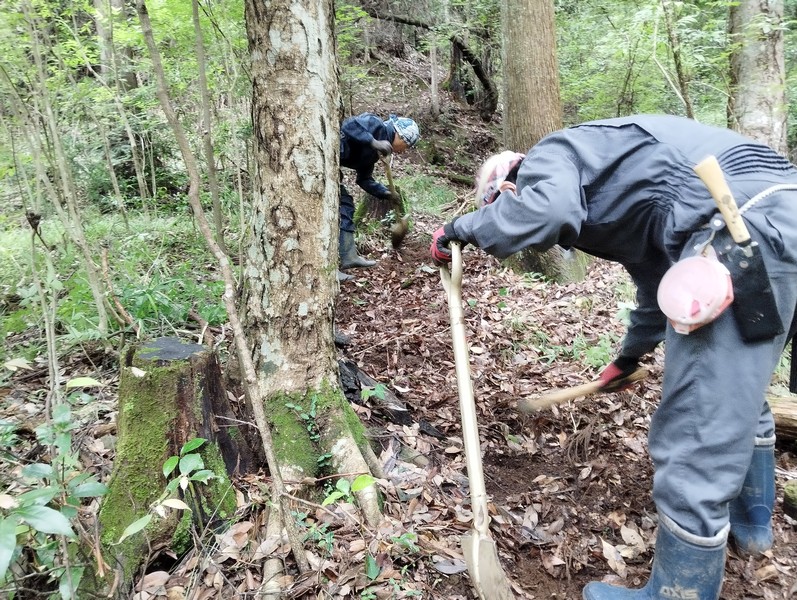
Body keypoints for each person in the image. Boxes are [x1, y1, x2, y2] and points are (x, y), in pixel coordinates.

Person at [429, 115, 797, 600]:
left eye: (500, 206)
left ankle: (676, 592)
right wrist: (628, 358)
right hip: (780, 220)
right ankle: (752, 528)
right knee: (739, 396)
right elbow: (655, 283)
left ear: (508, 187)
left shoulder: (548, 157)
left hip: (738, 229)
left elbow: (545, 212)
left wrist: (460, 229)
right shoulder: (621, 182)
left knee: (696, 425)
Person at [338, 112, 420, 281]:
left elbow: (364, 179)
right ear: (400, 136)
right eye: (406, 145)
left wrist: (386, 193)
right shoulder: (375, 125)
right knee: (334, 208)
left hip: (332, 168)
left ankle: (349, 257)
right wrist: (373, 141)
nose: (403, 151)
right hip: (325, 157)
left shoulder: (377, 154)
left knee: (345, 205)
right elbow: (348, 125)